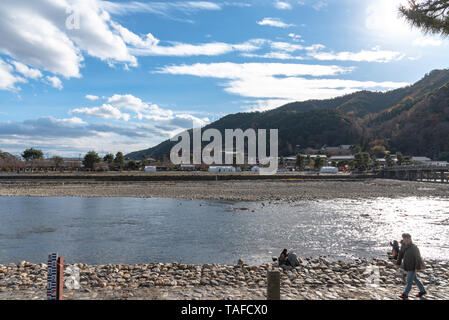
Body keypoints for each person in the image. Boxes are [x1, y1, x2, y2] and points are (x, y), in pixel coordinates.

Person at [395, 233, 426, 300]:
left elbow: (418, 258)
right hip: (406, 265)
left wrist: (417, 268)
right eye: (404, 238)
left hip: (413, 266)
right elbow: (400, 255)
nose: (405, 240)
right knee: (415, 279)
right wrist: (398, 263)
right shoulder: (403, 246)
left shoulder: (414, 247)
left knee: (408, 281)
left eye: (407, 238)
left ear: (410, 239)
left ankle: (405, 294)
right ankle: (422, 291)